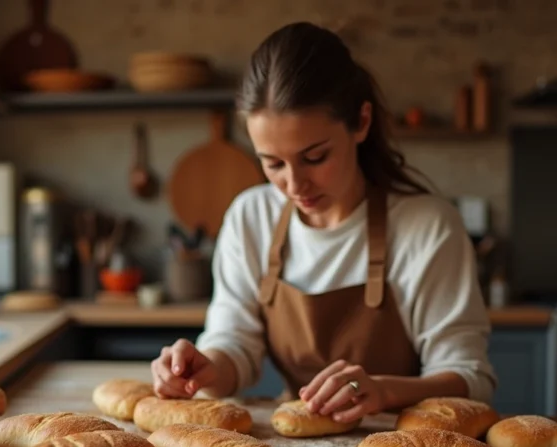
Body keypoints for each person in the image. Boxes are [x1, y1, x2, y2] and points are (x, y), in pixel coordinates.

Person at [150, 21, 496, 424]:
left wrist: (384, 391)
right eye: (273, 163)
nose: (294, 184)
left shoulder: (427, 226)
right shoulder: (251, 217)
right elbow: (235, 343)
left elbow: (472, 378)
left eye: (315, 157)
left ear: (361, 123)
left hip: (407, 446)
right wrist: (205, 367)